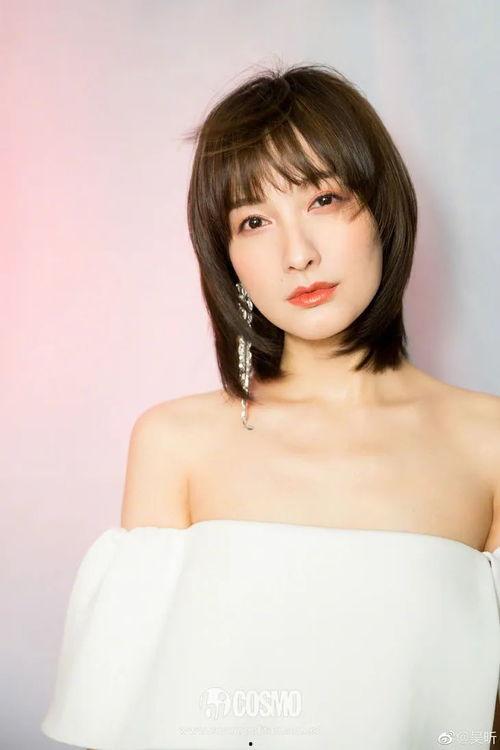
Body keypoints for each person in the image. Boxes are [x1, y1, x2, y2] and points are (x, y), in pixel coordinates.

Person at [41, 62, 500, 749]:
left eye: (324, 199)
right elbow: (128, 722)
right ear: (227, 257)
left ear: (383, 210)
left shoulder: (487, 441)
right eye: (254, 220)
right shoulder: (176, 443)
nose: (297, 254)